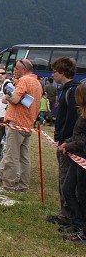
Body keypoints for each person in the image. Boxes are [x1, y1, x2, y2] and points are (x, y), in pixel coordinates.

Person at [0, 58, 43, 193]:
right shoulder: (37, 82)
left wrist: (7, 96)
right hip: (28, 123)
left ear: (23, 70)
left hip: (17, 122)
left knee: (11, 155)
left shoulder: (24, 80)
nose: (14, 71)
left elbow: (15, 99)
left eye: (16, 69)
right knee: (24, 157)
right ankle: (23, 186)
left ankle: (8, 185)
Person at [48, 57, 80, 227]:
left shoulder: (71, 91)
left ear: (62, 72)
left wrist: (64, 140)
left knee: (66, 180)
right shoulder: (66, 89)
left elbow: (71, 120)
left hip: (67, 142)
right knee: (63, 178)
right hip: (64, 140)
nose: (52, 74)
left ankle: (69, 216)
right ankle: (64, 213)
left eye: (54, 71)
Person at [59, 83, 86, 244]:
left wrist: (69, 145)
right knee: (68, 189)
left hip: (83, 160)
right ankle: (77, 224)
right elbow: (78, 136)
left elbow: (83, 141)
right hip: (78, 157)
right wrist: (67, 142)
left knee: (82, 196)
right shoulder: (82, 114)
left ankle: (83, 231)